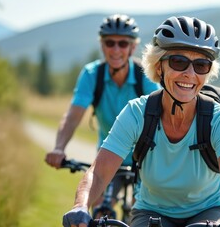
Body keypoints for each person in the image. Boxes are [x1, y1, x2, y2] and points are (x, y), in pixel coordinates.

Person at [62, 16, 220, 227]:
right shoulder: (136, 113)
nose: (189, 74)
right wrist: (80, 205)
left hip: (209, 209)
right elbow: (99, 172)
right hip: (152, 211)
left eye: (201, 65)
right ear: (159, 66)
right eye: (178, 62)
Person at [44, 14, 160, 214]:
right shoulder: (92, 74)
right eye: (110, 43)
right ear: (102, 45)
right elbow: (73, 115)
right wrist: (59, 148)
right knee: (99, 210)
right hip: (108, 157)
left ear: (133, 47)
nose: (116, 50)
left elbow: (161, 115)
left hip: (146, 160)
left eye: (123, 43)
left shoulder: (145, 76)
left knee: (142, 211)